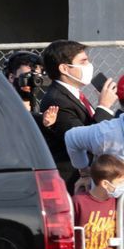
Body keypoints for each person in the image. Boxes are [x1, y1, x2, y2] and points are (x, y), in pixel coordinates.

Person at [34, 40, 117, 171]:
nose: (89, 65)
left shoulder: (73, 94)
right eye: (83, 62)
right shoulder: (57, 100)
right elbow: (84, 141)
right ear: (64, 69)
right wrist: (104, 106)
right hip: (73, 176)